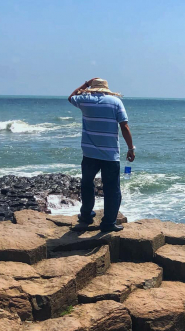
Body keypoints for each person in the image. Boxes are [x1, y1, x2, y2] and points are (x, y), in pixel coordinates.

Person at [68, 78, 134, 233]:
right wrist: (131, 148)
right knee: (112, 189)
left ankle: (86, 215)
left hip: (89, 153)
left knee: (87, 184)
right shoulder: (115, 102)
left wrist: (85, 84)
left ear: (92, 88)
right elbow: (124, 126)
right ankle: (108, 223)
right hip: (110, 154)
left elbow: (70, 97)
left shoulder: (85, 100)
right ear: (106, 89)